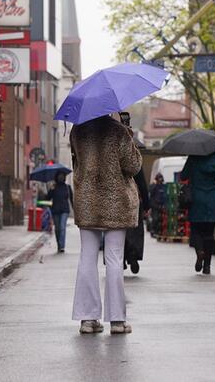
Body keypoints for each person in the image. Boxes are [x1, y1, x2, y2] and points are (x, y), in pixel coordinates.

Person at [70, 112, 142, 335]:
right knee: (113, 258)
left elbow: (76, 164)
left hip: (88, 200)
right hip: (116, 202)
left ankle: (88, 319)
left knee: (87, 258)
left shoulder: (78, 131)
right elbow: (133, 165)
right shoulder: (118, 131)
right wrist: (127, 130)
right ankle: (118, 321)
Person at [180, 153, 215, 275]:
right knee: (209, 233)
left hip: (196, 199)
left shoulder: (193, 159)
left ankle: (199, 252)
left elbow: (183, 176)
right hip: (212, 200)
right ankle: (207, 266)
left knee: (196, 230)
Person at [124, 172, 150, 274]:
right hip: (133, 199)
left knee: (117, 229)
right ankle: (133, 255)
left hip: (115, 199)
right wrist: (147, 204)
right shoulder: (133, 158)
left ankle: (120, 258)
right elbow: (142, 183)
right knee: (134, 229)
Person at [46, 172, 73, 252]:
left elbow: (72, 200)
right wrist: (50, 189)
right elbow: (47, 198)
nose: (60, 177)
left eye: (62, 176)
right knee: (57, 229)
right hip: (55, 210)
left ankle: (62, 246)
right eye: (59, 176)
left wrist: (75, 209)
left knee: (62, 227)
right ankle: (59, 244)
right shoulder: (54, 187)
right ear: (56, 177)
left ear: (64, 177)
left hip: (65, 210)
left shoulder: (67, 187)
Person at [148, 173, 166, 238]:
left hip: (161, 205)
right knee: (155, 218)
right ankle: (153, 231)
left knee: (160, 219)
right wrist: (154, 184)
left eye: (161, 178)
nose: (160, 180)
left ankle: (159, 231)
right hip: (155, 205)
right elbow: (150, 191)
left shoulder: (163, 186)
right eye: (159, 178)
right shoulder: (154, 186)